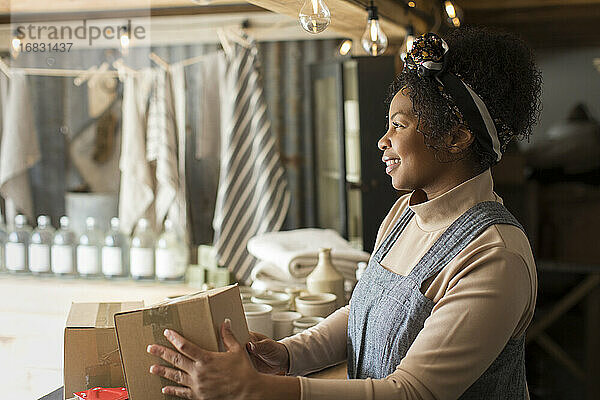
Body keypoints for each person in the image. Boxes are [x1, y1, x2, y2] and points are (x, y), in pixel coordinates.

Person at [146, 26, 543, 400]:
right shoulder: (407, 212)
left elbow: (412, 392)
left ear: (457, 136)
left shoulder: (495, 255)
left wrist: (259, 389)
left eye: (398, 125)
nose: (382, 140)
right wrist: (287, 355)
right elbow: (366, 309)